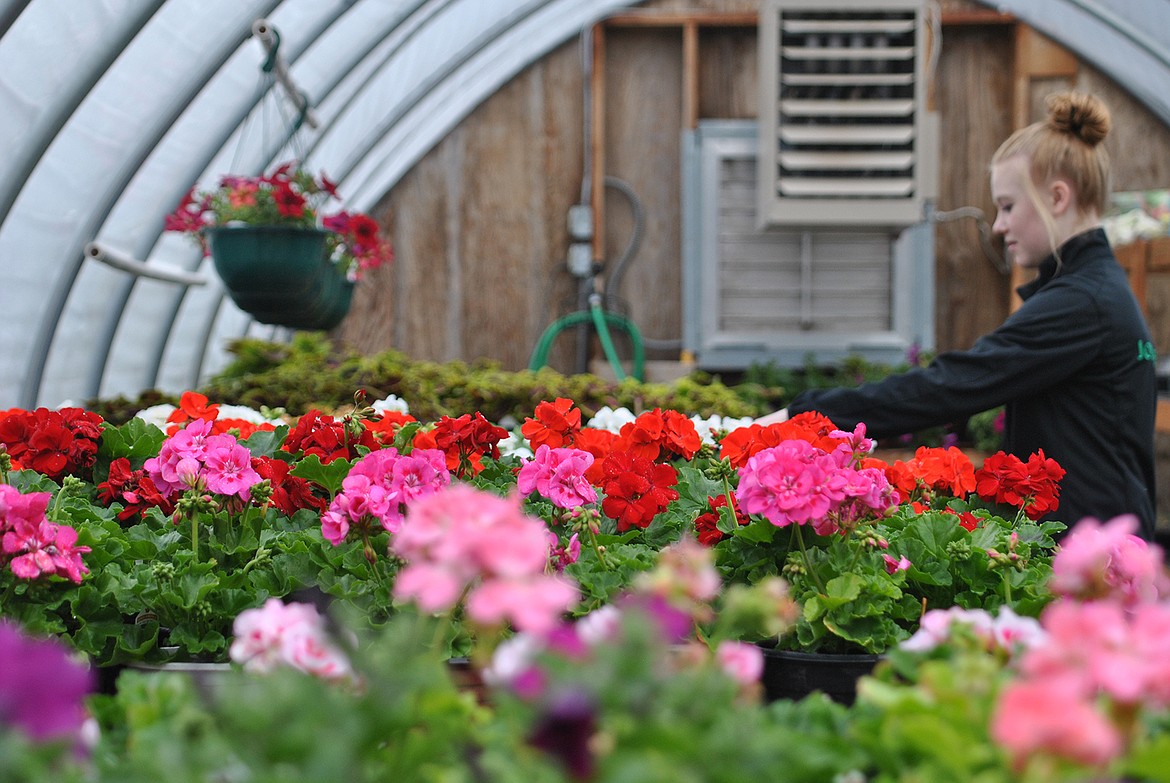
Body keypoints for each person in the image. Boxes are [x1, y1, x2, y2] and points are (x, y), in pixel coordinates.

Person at [754, 91, 1158, 540]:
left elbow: (954, 384)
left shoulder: (1082, 303)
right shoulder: (1096, 291)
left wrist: (806, 416)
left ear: (1058, 197)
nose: (999, 225)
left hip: (1093, 555)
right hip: (1107, 539)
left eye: (1007, 206)